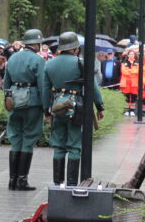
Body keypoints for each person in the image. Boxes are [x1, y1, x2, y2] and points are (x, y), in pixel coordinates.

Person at [43, 32, 105, 186]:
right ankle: (70, 185)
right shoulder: (81, 63)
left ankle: (57, 184)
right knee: (74, 146)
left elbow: (45, 90)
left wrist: (47, 111)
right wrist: (99, 106)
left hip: (57, 107)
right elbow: (93, 87)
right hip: (77, 107)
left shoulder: (49, 64)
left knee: (58, 146)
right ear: (75, 48)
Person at [3, 29, 47, 191]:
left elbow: (6, 83)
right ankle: (22, 180)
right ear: (36, 44)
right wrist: (46, 107)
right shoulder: (38, 60)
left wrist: (8, 99)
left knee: (15, 138)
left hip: (14, 100)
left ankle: (12, 180)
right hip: (32, 103)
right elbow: (43, 85)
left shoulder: (12, 58)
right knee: (28, 138)